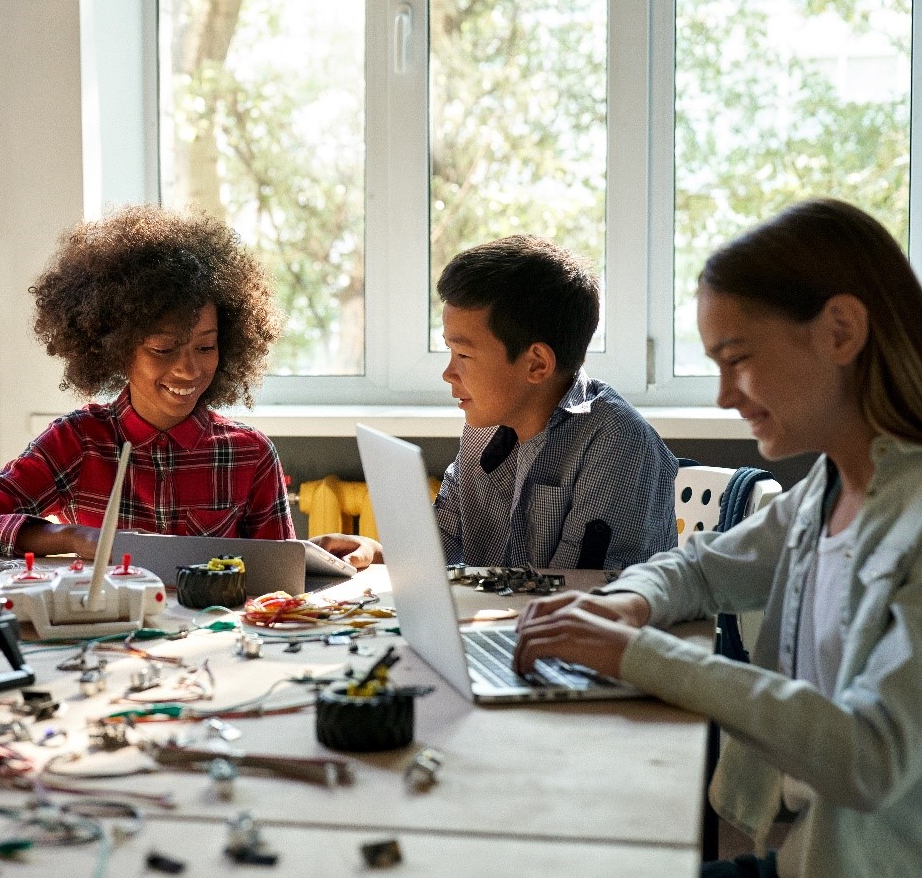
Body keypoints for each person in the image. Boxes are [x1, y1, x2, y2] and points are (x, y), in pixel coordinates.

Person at [513, 199, 922, 878]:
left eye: (737, 359)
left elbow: (871, 756)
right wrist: (630, 605)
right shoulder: (827, 489)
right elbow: (701, 567)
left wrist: (640, 656)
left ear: (841, 330)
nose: (723, 396)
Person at [0, 204, 302, 559]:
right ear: (118, 348)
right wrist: (74, 537)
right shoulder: (78, 442)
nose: (188, 369)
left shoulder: (249, 453)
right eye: (163, 349)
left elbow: (280, 581)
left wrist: (318, 554)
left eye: (205, 346)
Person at [325, 235, 677, 569]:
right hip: (511, 625)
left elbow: (583, 596)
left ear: (537, 364)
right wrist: (379, 554)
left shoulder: (618, 442)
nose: (448, 373)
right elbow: (439, 556)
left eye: (463, 354)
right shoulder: (483, 430)